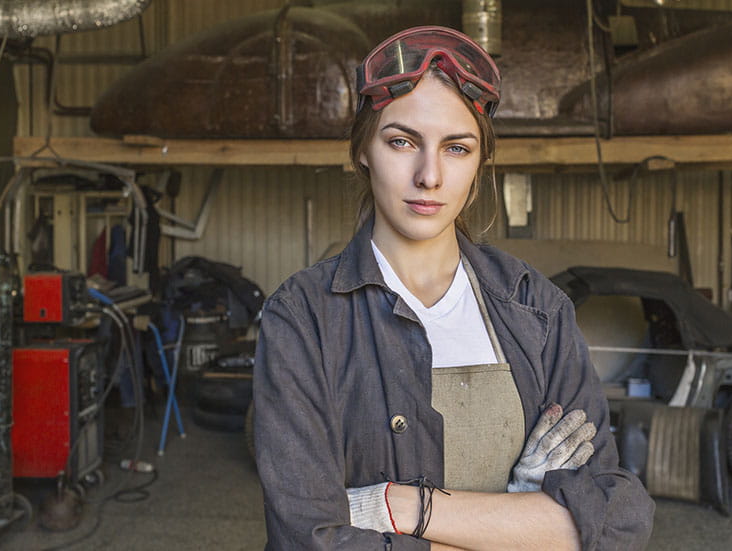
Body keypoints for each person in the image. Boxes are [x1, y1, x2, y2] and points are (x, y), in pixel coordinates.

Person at [253, 25, 655, 550]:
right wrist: (521, 522)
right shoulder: (304, 318)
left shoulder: (535, 309)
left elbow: (617, 521)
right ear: (363, 153)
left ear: (480, 163)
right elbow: (310, 539)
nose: (430, 176)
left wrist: (398, 507)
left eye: (457, 148)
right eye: (402, 142)